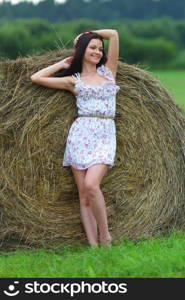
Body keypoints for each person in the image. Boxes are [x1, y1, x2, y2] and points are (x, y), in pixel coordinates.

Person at [30, 29, 120, 248]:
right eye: (92, 47)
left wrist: (89, 34)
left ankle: (105, 236)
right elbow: (36, 78)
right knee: (83, 196)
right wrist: (61, 64)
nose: (98, 52)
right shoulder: (73, 81)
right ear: (82, 50)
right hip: (80, 134)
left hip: (104, 133)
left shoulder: (109, 72)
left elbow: (114, 35)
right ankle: (93, 246)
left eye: (100, 49)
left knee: (91, 185)